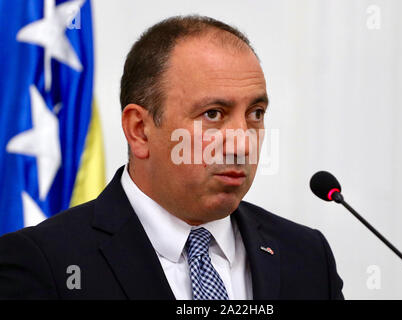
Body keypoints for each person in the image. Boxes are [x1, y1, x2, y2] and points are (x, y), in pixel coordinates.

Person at [0, 15, 344, 300]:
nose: (242, 142)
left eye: (255, 113)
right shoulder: (46, 264)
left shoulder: (307, 257)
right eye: (213, 114)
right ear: (139, 129)